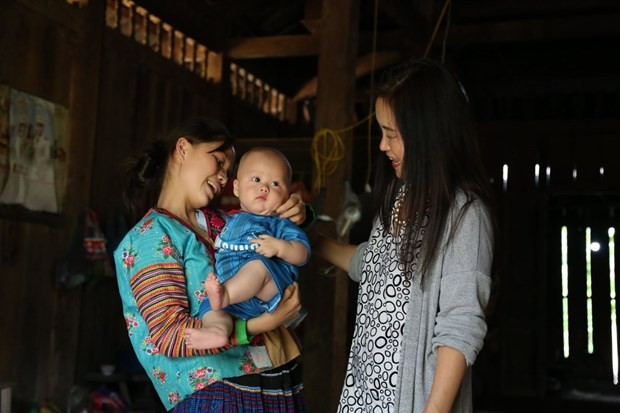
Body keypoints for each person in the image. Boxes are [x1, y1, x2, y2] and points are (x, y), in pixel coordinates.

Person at [314, 58, 495, 413]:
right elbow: (374, 266)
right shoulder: (399, 197)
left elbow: (460, 328)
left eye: (392, 134)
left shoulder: (464, 215)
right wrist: (310, 242)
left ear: (427, 135)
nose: (382, 145)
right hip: (365, 397)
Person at [114, 117, 308, 412]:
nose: (222, 177)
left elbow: (279, 230)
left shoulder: (223, 222)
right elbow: (170, 336)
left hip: (275, 381)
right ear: (183, 149)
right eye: (218, 161)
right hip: (217, 398)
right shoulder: (149, 237)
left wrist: (301, 213)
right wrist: (261, 325)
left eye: (227, 171)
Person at [184, 147, 311, 350]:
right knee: (211, 309)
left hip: (267, 289)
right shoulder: (226, 220)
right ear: (236, 188)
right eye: (256, 180)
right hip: (233, 295)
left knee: (258, 266)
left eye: (275, 184)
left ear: (287, 195)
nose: (264, 188)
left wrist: (280, 247)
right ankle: (217, 332)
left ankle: (224, 295)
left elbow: (302, 253)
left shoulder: (279, 224)